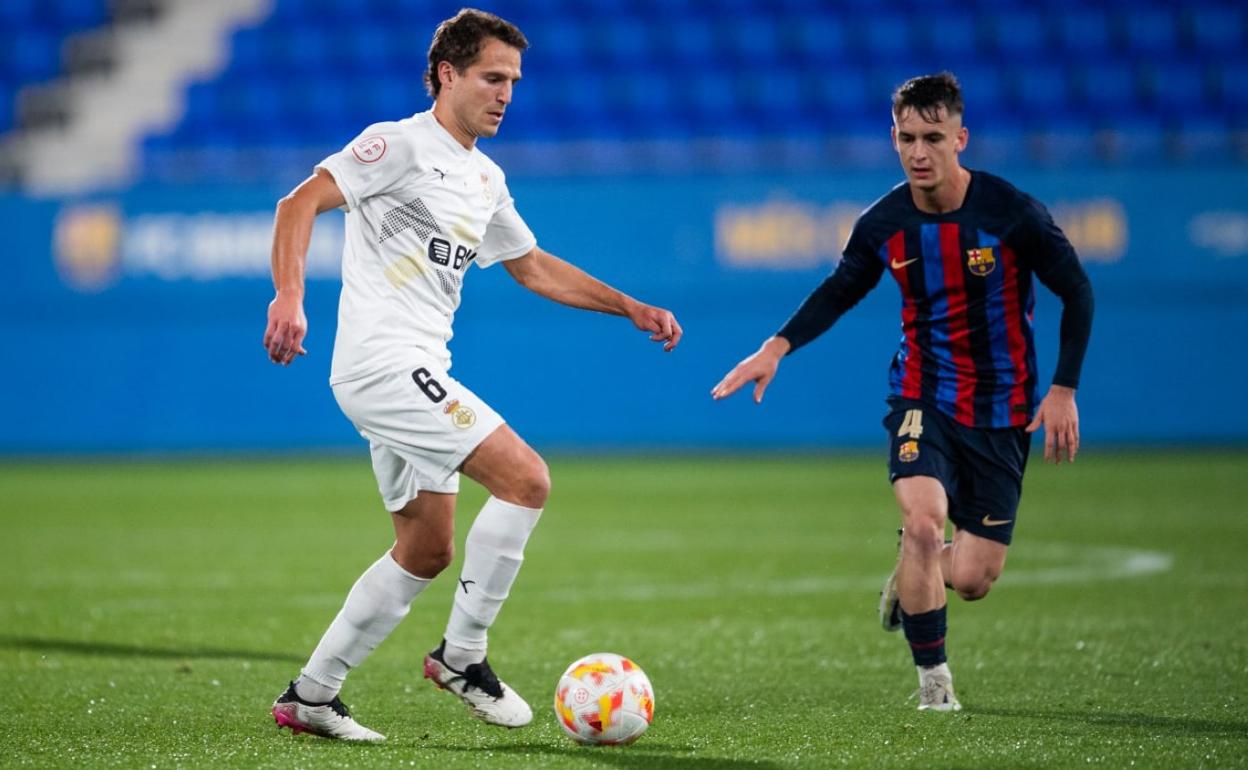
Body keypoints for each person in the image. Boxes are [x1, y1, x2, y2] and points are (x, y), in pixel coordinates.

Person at [262, 9, 681, 741]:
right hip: (385, 367)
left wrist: (627, 306)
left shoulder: (484, 176)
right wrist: (289, 297)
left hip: (416, 369)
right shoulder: (396, 144)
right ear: (446, 75)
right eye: (493, 77)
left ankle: (312, 696)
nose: (506, 93)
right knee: (527, 478)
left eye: (514, 81)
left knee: (426, 547)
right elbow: (299, 202)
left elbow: (530, 265)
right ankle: (463, 655)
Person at [711, 72, 1092, 711]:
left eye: (933, 137)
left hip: (1001, 407)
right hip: (922, 392)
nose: (919, 152)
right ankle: (934, 683)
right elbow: (841, 289)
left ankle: (911, 575)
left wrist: (1064, 389)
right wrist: (774, 348)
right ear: (894, 138)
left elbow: (1076, 289)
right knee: (921, 522)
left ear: (960, 138)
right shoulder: (883, 223)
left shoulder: (1011, 214)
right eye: (907, 137)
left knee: (972, 578)